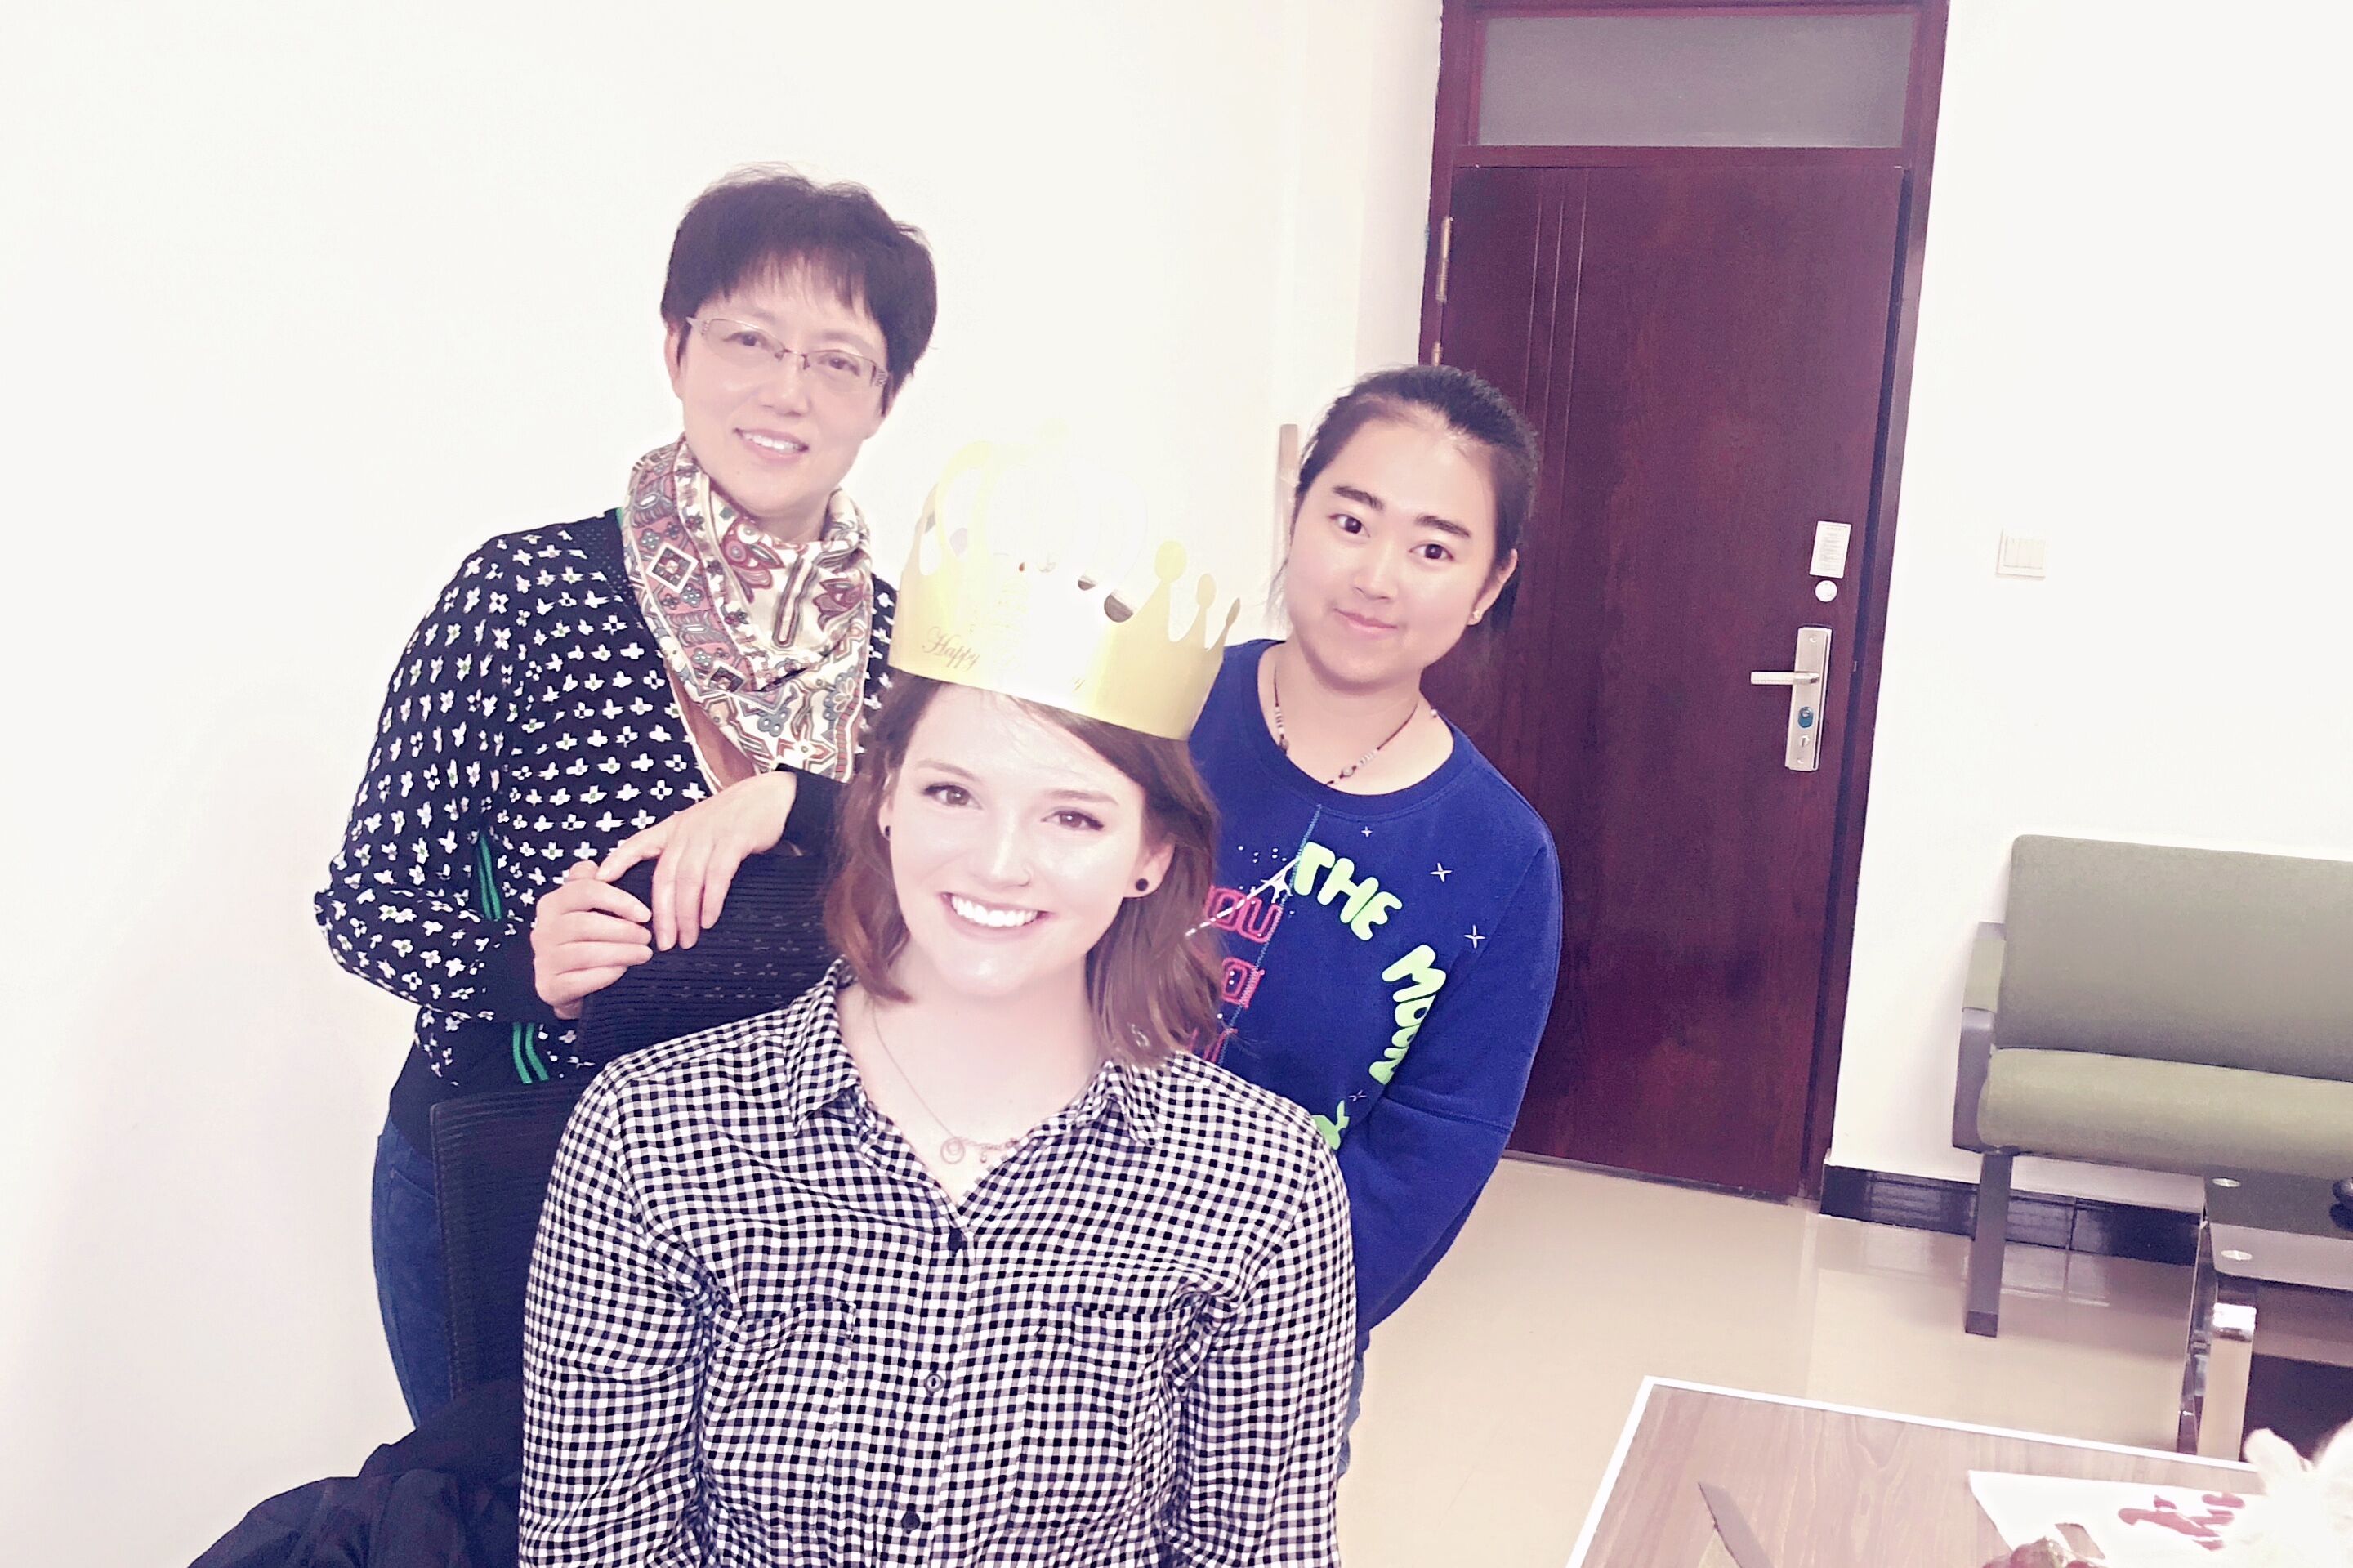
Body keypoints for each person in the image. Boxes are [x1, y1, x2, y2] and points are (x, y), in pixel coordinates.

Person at [519, 440, 1355, 1566]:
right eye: (955, 794)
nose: (1000, 864)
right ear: (883, 802)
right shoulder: (652, 1133)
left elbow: (1252, 1555)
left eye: (1073, 818)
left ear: (1151, 855)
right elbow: (596, 1548)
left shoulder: (1261, 1183)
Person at [315, 165, 936, 1425]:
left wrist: (797, 803)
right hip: (520, 1167)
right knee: (516, 1514)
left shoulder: (907, 651)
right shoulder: (526, 595)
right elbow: (366, 900)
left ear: (884, 398)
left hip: (799, 1205)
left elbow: (940, 885)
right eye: (749, 340)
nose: (787, 390)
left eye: (837, 360)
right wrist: (520, 964)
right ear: (676, 348)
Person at [1187, 364, 1564, 1441]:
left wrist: (1267, 1328)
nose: (1378, 577)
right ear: (1296, 513)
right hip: (1014, 1282)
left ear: (1491, 583)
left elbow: (1431, 1147)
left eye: (1435, 549)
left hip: (1265, 1352)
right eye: (1351, 521)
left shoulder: (1500, 858)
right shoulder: (1155, 708)